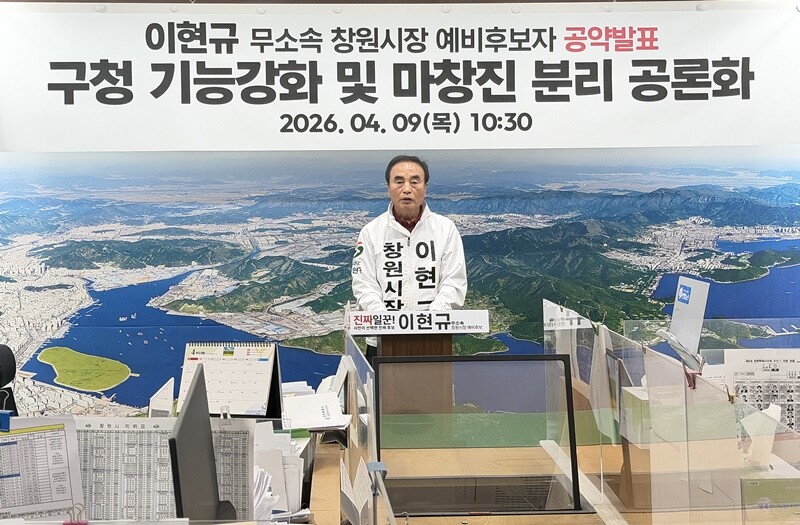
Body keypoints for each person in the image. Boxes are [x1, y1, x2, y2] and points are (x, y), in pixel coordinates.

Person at [351, 155, 467, 361]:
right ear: (388, 188)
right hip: (382, 342)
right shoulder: (370, 232)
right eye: (399, 181)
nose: (407, 189)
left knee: (434, 384)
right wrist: (387, 322)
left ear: (425, 187)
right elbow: (364, 284)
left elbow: (454, 282)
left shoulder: (445, 229)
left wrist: (430, 321)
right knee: (380, 384)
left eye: (414, 181)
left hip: (434, 340)